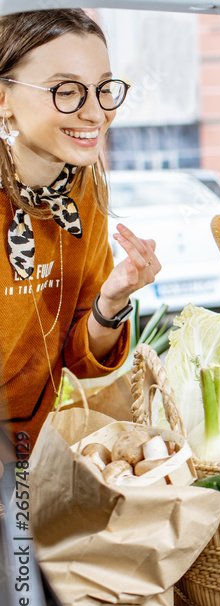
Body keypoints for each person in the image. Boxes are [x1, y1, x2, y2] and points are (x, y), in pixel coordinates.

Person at [0, 9, 161, 454]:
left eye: (103, 89)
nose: (95, 113)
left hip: (34, 450)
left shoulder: (82, 192)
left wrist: (112, 299)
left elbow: (79, 363)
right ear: (3, 98)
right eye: (66, 91)